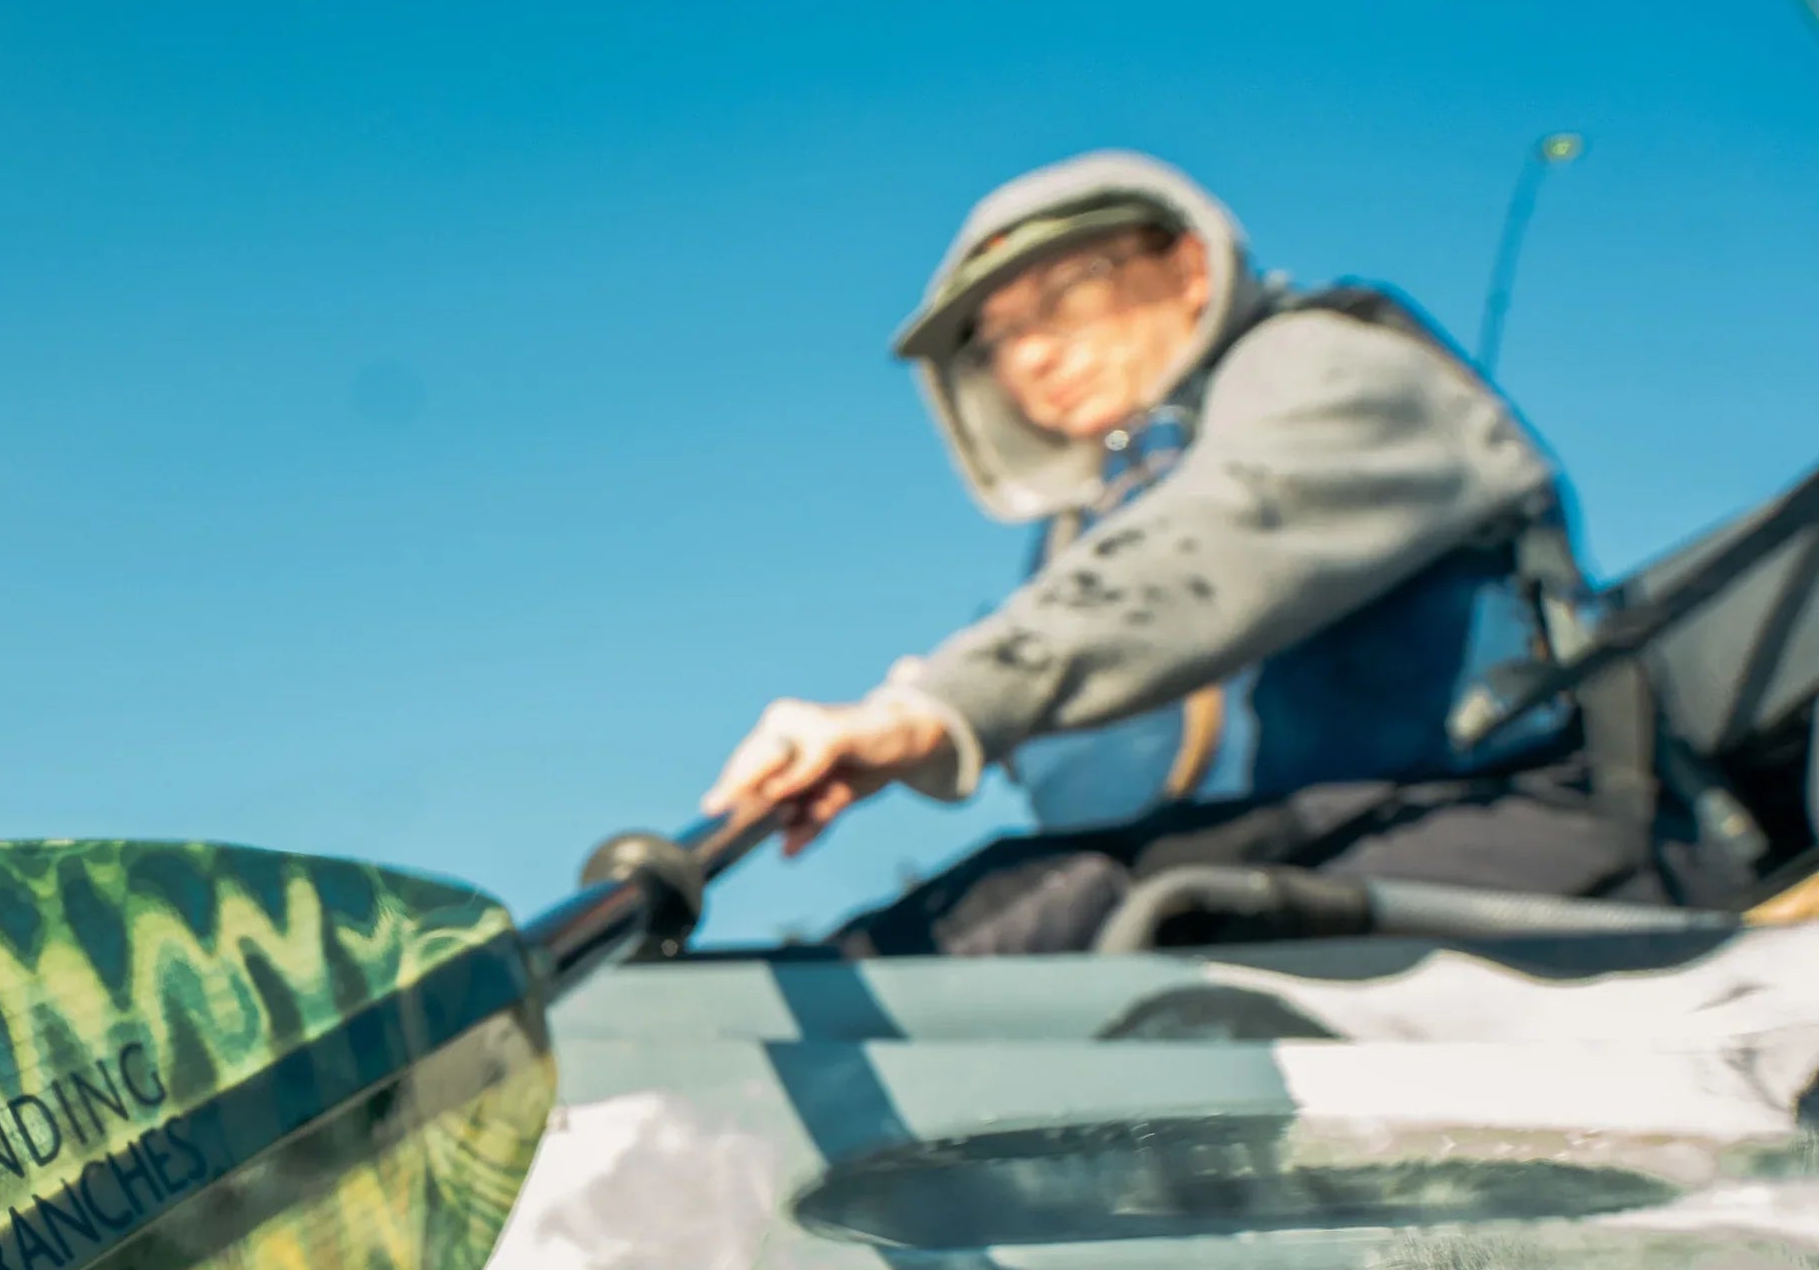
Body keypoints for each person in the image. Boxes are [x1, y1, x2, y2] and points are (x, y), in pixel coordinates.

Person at [700, 150, 1674, 956]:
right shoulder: (1084, 525)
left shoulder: (1324, 360)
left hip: (1498, 827)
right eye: (996, 339)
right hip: (1253, 858)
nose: (1032, 355)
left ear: (1193, 269)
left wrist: (935, 709)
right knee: (980, 916)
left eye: (1068, 294)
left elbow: (1213, 542)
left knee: (1070, 921)